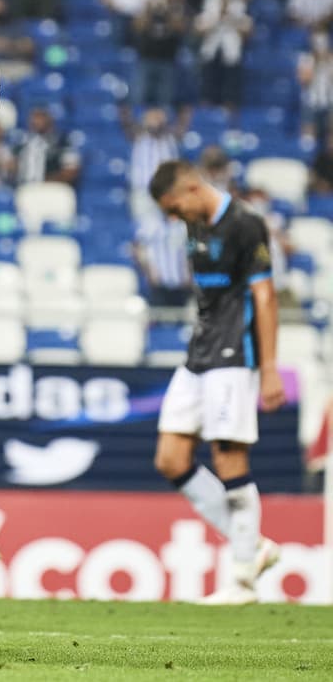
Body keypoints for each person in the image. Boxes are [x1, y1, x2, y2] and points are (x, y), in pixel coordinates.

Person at [148, 160, 284, 604]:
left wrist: (268, 368)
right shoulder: (195, 225)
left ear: (190, 188)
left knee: (230, 461)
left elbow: (264, 297)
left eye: (173, 208)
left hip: (234, 357)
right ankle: (255, 546)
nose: (173, 217)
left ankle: (243, 579)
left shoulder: (245, 225)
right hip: (198, 353)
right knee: (170, 458)